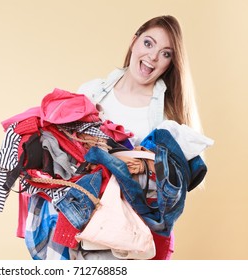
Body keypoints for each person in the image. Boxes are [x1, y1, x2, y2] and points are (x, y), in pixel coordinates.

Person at [76, 15, 202, 260]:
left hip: (137, 233)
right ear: (133, 42)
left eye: (166, 53)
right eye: (148, 43)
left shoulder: (168, 115)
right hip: (83, 222)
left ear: (171, 64)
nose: (153, 57)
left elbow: (177, 185)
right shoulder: (90, 92)